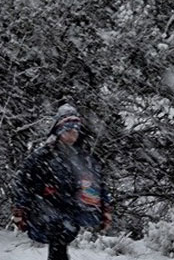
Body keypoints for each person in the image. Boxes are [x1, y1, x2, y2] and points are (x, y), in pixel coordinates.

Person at [11, 104, 112, 260]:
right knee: (58, 244)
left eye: (75, 131)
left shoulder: (84, 158)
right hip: (47, 209)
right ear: (58, 132)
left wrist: (105, 208)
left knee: (61, 242)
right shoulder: (42, 156)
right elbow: (24, 181)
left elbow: (98, 184)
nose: (73, 135)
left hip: (73, 210)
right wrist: (20, 209)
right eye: (68, 131)